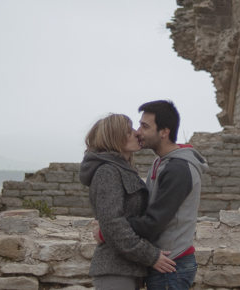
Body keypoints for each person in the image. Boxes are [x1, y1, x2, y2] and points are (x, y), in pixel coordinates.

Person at [79, 114, 176, 290]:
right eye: (128, 131)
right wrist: (150, 256)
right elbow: (113, 225)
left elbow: (115, 223)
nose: (136, 134)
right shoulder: (108, 171)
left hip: (127, 270)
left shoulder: (123, 169)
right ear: (114, 138)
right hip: (115, 271)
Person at [130, 101, 210, 290]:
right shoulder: (161, 161)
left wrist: (111, 227)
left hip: (172, 265)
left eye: (145, 126)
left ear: (164, 132)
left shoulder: (178, 169)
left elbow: (153, 222)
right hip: (163, 263)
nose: (138, 132)